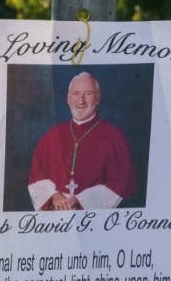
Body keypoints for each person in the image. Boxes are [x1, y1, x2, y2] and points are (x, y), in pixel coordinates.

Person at [27, 71, 136, 211]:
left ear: (97, 98)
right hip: (55, 214)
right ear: (68, 98)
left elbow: (122, 182)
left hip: (94, 217)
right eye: (76, 94)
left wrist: (80, 200)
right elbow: (36, 173)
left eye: (88, 93)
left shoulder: (114, 137)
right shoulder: (52, 135)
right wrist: (54, 196)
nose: (81, 100)